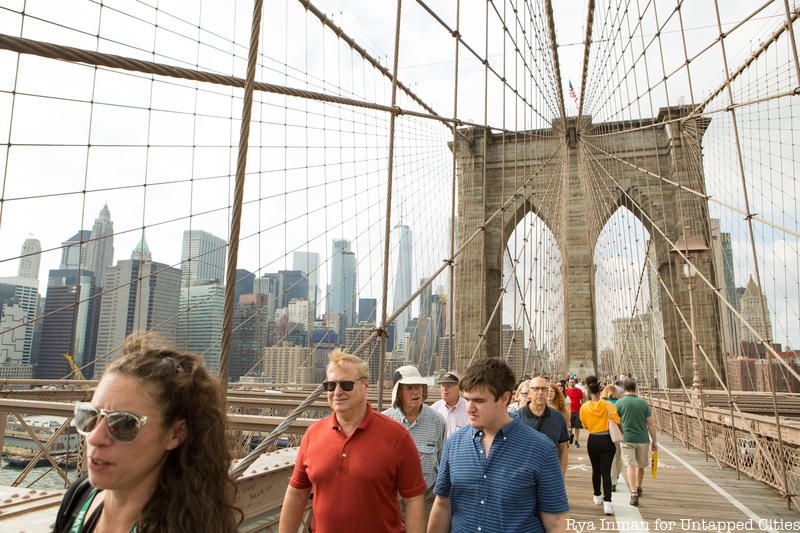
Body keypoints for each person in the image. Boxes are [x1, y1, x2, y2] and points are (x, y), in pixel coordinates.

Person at [53, 334, 240, 533]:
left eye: (124, 424)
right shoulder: (80, 496)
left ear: (176, 433)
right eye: (89, 416)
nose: (95, 437)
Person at [279, 349, 426, 533]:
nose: (337, 392)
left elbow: (414, 499)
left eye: (346, 385)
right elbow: (297, 493)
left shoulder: (397, 436)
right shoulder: (312, 434)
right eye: (330, 386)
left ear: (365, 386)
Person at [428, 357, 568, 533]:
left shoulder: (541, 449)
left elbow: (556, 522)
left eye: (479, 401)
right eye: (467, 399)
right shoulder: (454, 444)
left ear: (505, 398)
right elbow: (442, 504)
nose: (469, 408)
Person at [383, 365, 446, 509]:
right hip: (392, 499)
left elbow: (442, 463)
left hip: (427, 499)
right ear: (398, 393)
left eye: (418, 386)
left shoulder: (437, 421)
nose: (416, 391)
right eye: (409, 388)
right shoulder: (384, 421)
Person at [579, 376, 620, 516]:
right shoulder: (609, 405)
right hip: (607, 440)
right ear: (600, 390)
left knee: (596, 470)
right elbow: (616, 420)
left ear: (589, 391)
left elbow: (584, 425)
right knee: (606, 472)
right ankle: (607, 503)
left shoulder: (584, 407)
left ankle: (597, 496)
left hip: (593, 440)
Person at [615, 379, 658, 507]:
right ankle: (638, 487)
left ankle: (633, 492)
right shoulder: (643, 404)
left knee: (630, 465)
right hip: (643, 439)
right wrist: (654, 441)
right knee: (641, 465)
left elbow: (614, 421)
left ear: (624, 389)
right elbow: (650, 424)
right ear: (635, 388)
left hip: (626, 438)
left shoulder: (620, 403)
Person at [516, 376, 569, 474]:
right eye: (536, 389)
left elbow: (563, 449)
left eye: (544, 389)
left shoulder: (558, 417)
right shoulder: (517, 418)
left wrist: (561, 476)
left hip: (550, 475)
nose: (540, 392)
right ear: (529, 392)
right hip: (524, 477)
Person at [430, 370, 469, 439]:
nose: (444, 389)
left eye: (448, 386)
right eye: (442, 385)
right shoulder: (434, 409)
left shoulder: (468, 408)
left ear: (459, 388)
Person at [600, 384, 623, 492]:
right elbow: (621, 420)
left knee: (605, 458)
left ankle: (606, 478)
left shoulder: (600, 403)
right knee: (617, 457)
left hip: (602, 432)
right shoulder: (618, 403)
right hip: (615, 433)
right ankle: (614, 480)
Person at [564, 377, 584, 447]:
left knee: (577, 427)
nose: (572, 383)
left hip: (577, 411)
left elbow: (582, 399)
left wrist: (583, 408)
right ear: (568, 383)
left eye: (573, 382)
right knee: (569, 426)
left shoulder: (579, 391)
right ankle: (570, 435)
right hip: (568, 411)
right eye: (570, 382)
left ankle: (576, 441)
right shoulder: (566, 391)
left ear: (575, 383)